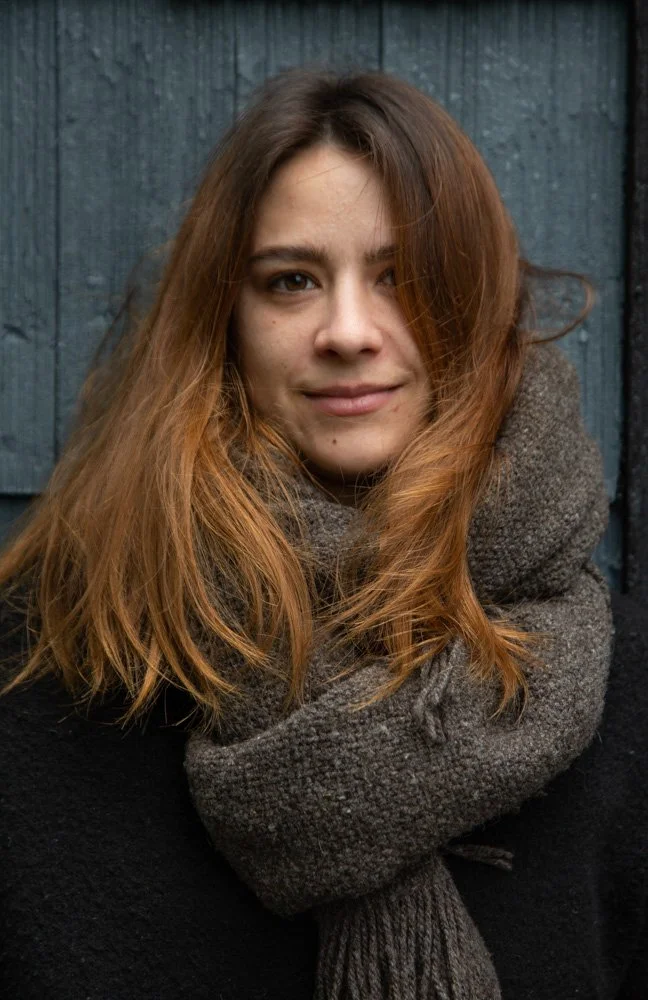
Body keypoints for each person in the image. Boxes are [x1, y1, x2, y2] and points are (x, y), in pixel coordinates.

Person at [0, 67, 646, 1000]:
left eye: (404, 278)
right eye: (291, 281)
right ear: (224, 320)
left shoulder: (623, 690)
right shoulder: (56, 670)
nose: (348, 330)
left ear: (473, 306)